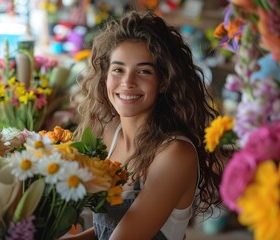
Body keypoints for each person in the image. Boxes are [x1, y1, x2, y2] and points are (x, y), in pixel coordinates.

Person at [71, 10, 225, 240]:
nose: (127, 82)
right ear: (105, 77)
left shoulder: (174, 153)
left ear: (163, 81)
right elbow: (105, 231)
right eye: (118, 69)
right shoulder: (109, 135)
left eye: (143, 71)